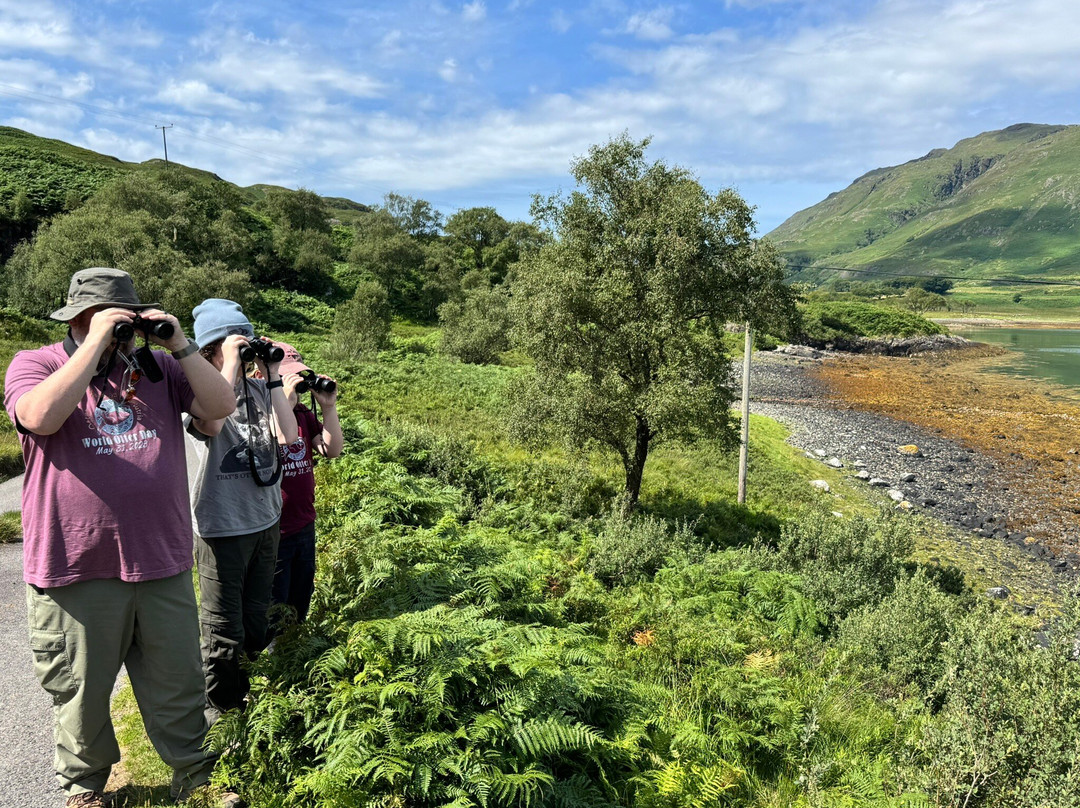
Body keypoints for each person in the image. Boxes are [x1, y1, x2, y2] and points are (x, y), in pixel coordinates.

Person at [3, 268, 236, 808]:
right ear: (75, 318)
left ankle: (197, 778)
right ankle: (85, 788)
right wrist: (92, 347)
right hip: (75, 564)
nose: (117, 333)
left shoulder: (159, 368)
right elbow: (38, 417)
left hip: (161, 558)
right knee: (80, 692)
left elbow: (219, 407)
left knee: (177, 681)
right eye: (102, 320)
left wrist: (179, 343)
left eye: (123, 323)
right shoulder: (36, 363)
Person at [186, 299, 297, 726]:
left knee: (255, 618)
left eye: (247, 343)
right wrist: (228, 364)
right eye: (232, 344)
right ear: (210, 349)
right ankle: (220, 712)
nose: (244, 350)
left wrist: (270, 377)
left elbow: (288, 437)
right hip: (221, 527)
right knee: (221, 629)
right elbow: (211, 424)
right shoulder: (196, 396)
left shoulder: (258, 390)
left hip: (265, 521)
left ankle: (249, 697)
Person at [265, 343, 343, 631]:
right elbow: (275, 436)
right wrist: (282, 399)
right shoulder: (259, 416)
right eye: (288, 380)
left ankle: (294, 648)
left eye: (299, 381)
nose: (296, 389)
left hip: (303, 523)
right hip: (274, 529)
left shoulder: (302, 414)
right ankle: (270, 661)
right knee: (274, 602)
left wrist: (328, 407)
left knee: (300, 597)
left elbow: (331, 450)